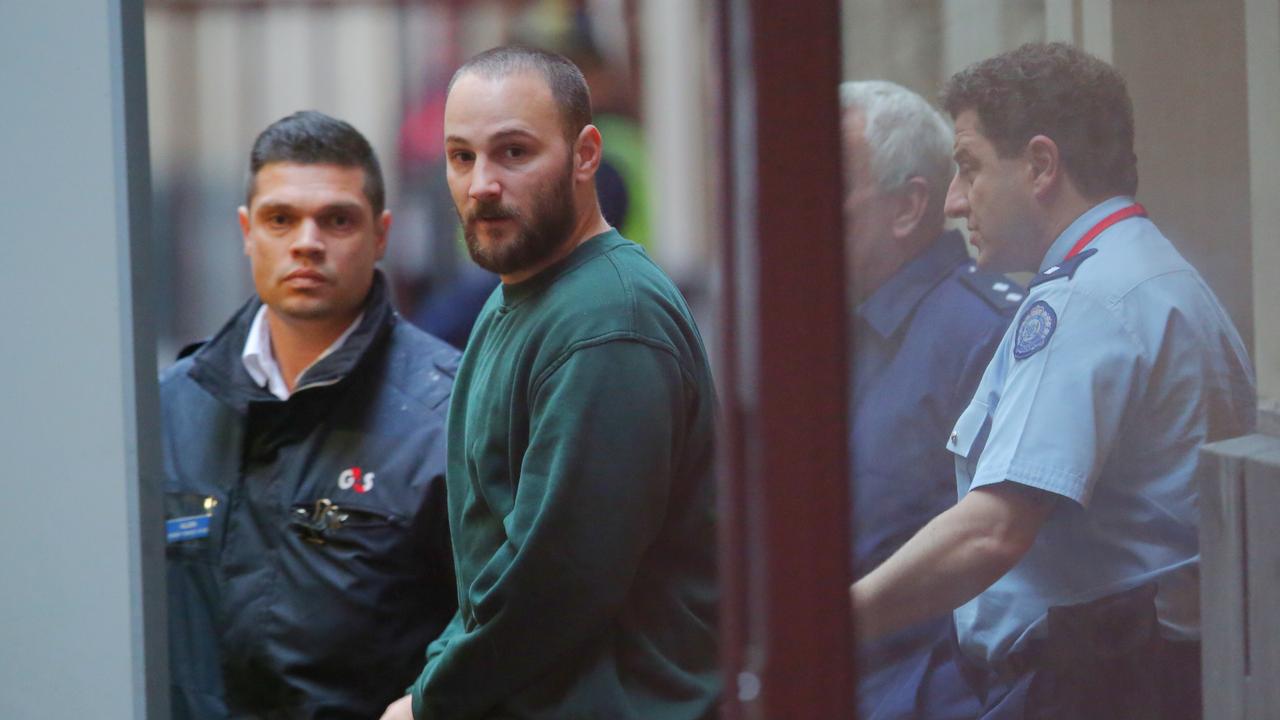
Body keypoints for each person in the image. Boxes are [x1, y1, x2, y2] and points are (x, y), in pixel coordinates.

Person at [850, 43, 1256, 719]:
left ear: (1040, 166)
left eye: (970, 168)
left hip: (1104, 686)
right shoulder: (1144, 274)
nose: (954, 202)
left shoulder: (1090, 301)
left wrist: (836, 622)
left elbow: (993, 531)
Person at [380, 46, 719, 720]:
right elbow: (490, 568)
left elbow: (557, 578)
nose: (481, 184)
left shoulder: (608, 320)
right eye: (461, 157)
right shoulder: (522, 297)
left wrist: (430, 701)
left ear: (586, 154)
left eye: (513, 152)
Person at [161, 111, 459, 719]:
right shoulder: (170, 409)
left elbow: (507, 626)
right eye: (280, 219)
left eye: (337, 219)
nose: (307, 242)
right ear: (247, 231)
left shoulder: (451, 413)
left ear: (380, 235)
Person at [840, 80, 1022, 720]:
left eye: (831, 189)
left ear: (908, 207)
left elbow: (1001, 558)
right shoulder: (839, 327)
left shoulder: (985, 334)